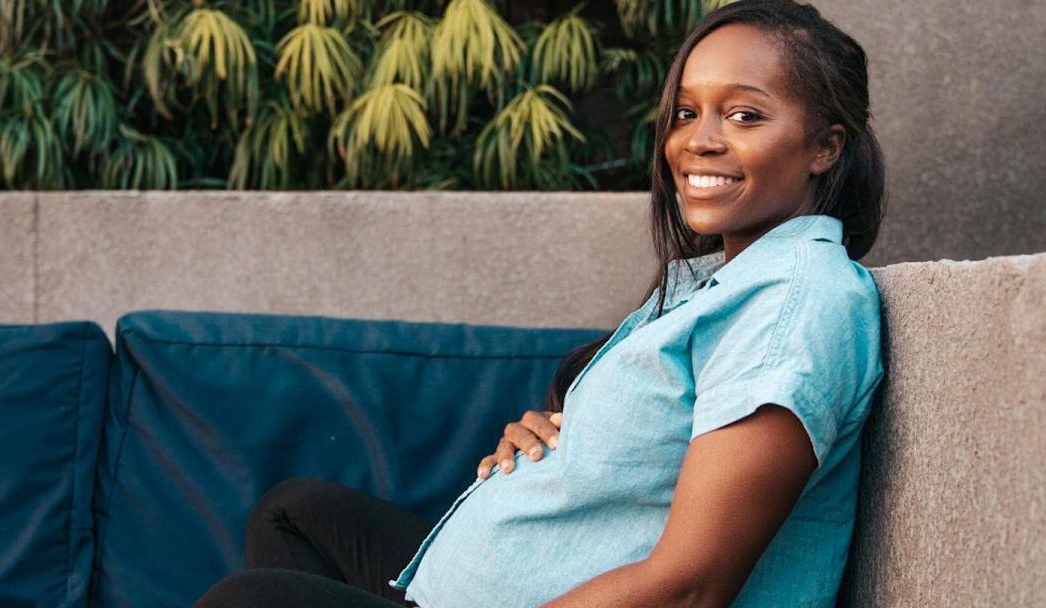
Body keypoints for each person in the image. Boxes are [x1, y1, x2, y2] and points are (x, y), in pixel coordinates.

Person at [194, 0, 886, 605]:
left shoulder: (793, 304)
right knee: (296, 514)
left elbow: (689, 587)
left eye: (743, 115)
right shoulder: (718, 282)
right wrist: (557, 447)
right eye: (685, 112)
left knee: (249, 600)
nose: (698, 141)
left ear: (824, 147)